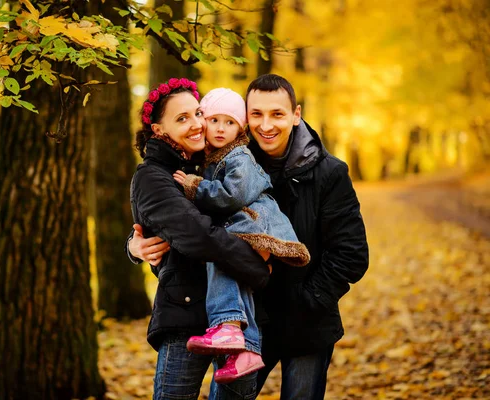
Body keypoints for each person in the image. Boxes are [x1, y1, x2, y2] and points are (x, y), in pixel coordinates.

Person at [129, 74, 369, 400]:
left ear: (296, 114)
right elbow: (174, 215)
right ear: (246, 118)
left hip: (306, 321)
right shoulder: (225, 155)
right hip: (250, 318)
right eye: (256, 114)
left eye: (277, 114)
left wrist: (307, 301)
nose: (266, 124)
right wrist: (134, 244)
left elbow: (352, 254)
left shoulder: (327, 172)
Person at [128, 77, 270, 400]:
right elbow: (198, 236)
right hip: (186, 318)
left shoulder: (215, 163)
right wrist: (258, 268)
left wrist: (132, 246)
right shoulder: (152, 176)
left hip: (239, 323)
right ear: (159, 130)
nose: (196, 124)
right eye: (181, 118)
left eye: (197, 114)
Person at [171, 88, 310, 384]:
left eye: (230, 122)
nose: (221, 128)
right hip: (247, 223)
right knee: (239, 277)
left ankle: (227, 326)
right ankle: (246, 351)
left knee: (218, 253)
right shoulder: (210, 158)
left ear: (241, 128)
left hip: (256, 224)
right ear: (202, 121)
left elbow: (232, 196)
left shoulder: (238, 156)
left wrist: (196, 187)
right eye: (214, 120)